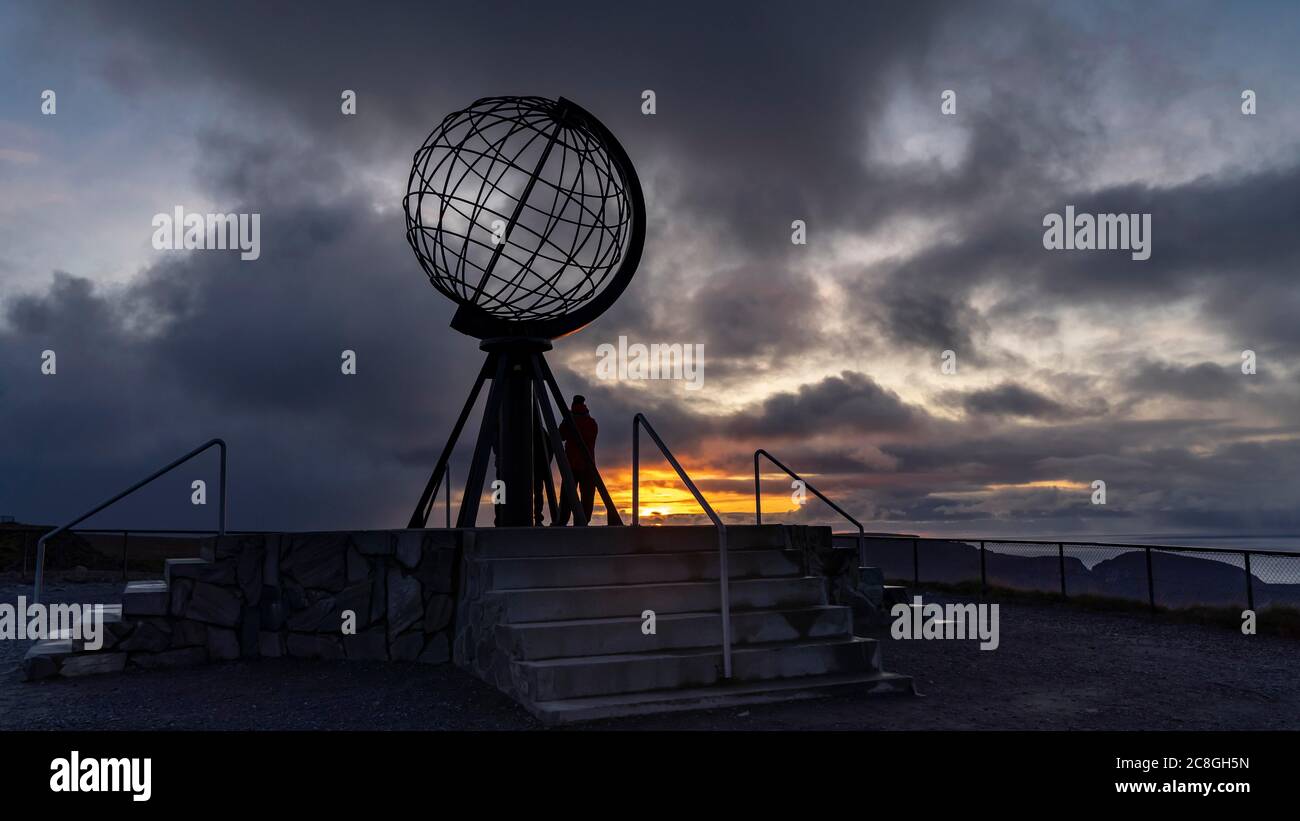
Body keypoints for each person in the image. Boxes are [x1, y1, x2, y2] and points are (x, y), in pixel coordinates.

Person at [557, 395, 598, 525]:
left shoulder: (569, 422)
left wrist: (566, 421)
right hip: (588, 465)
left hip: (571, 464)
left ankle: (562, 521)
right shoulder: (592, 423)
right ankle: (583, 522)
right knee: (587, 497)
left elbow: (560, 436)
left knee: (567, 496)